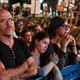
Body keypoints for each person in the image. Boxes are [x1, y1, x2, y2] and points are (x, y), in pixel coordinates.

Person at [0, 9, 37, 80]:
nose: (9, 24)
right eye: (4, 21)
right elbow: (2, 76)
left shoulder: (21, 43)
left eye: (10, 19)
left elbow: (34, 69)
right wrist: (24, 66)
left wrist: (18, 77)